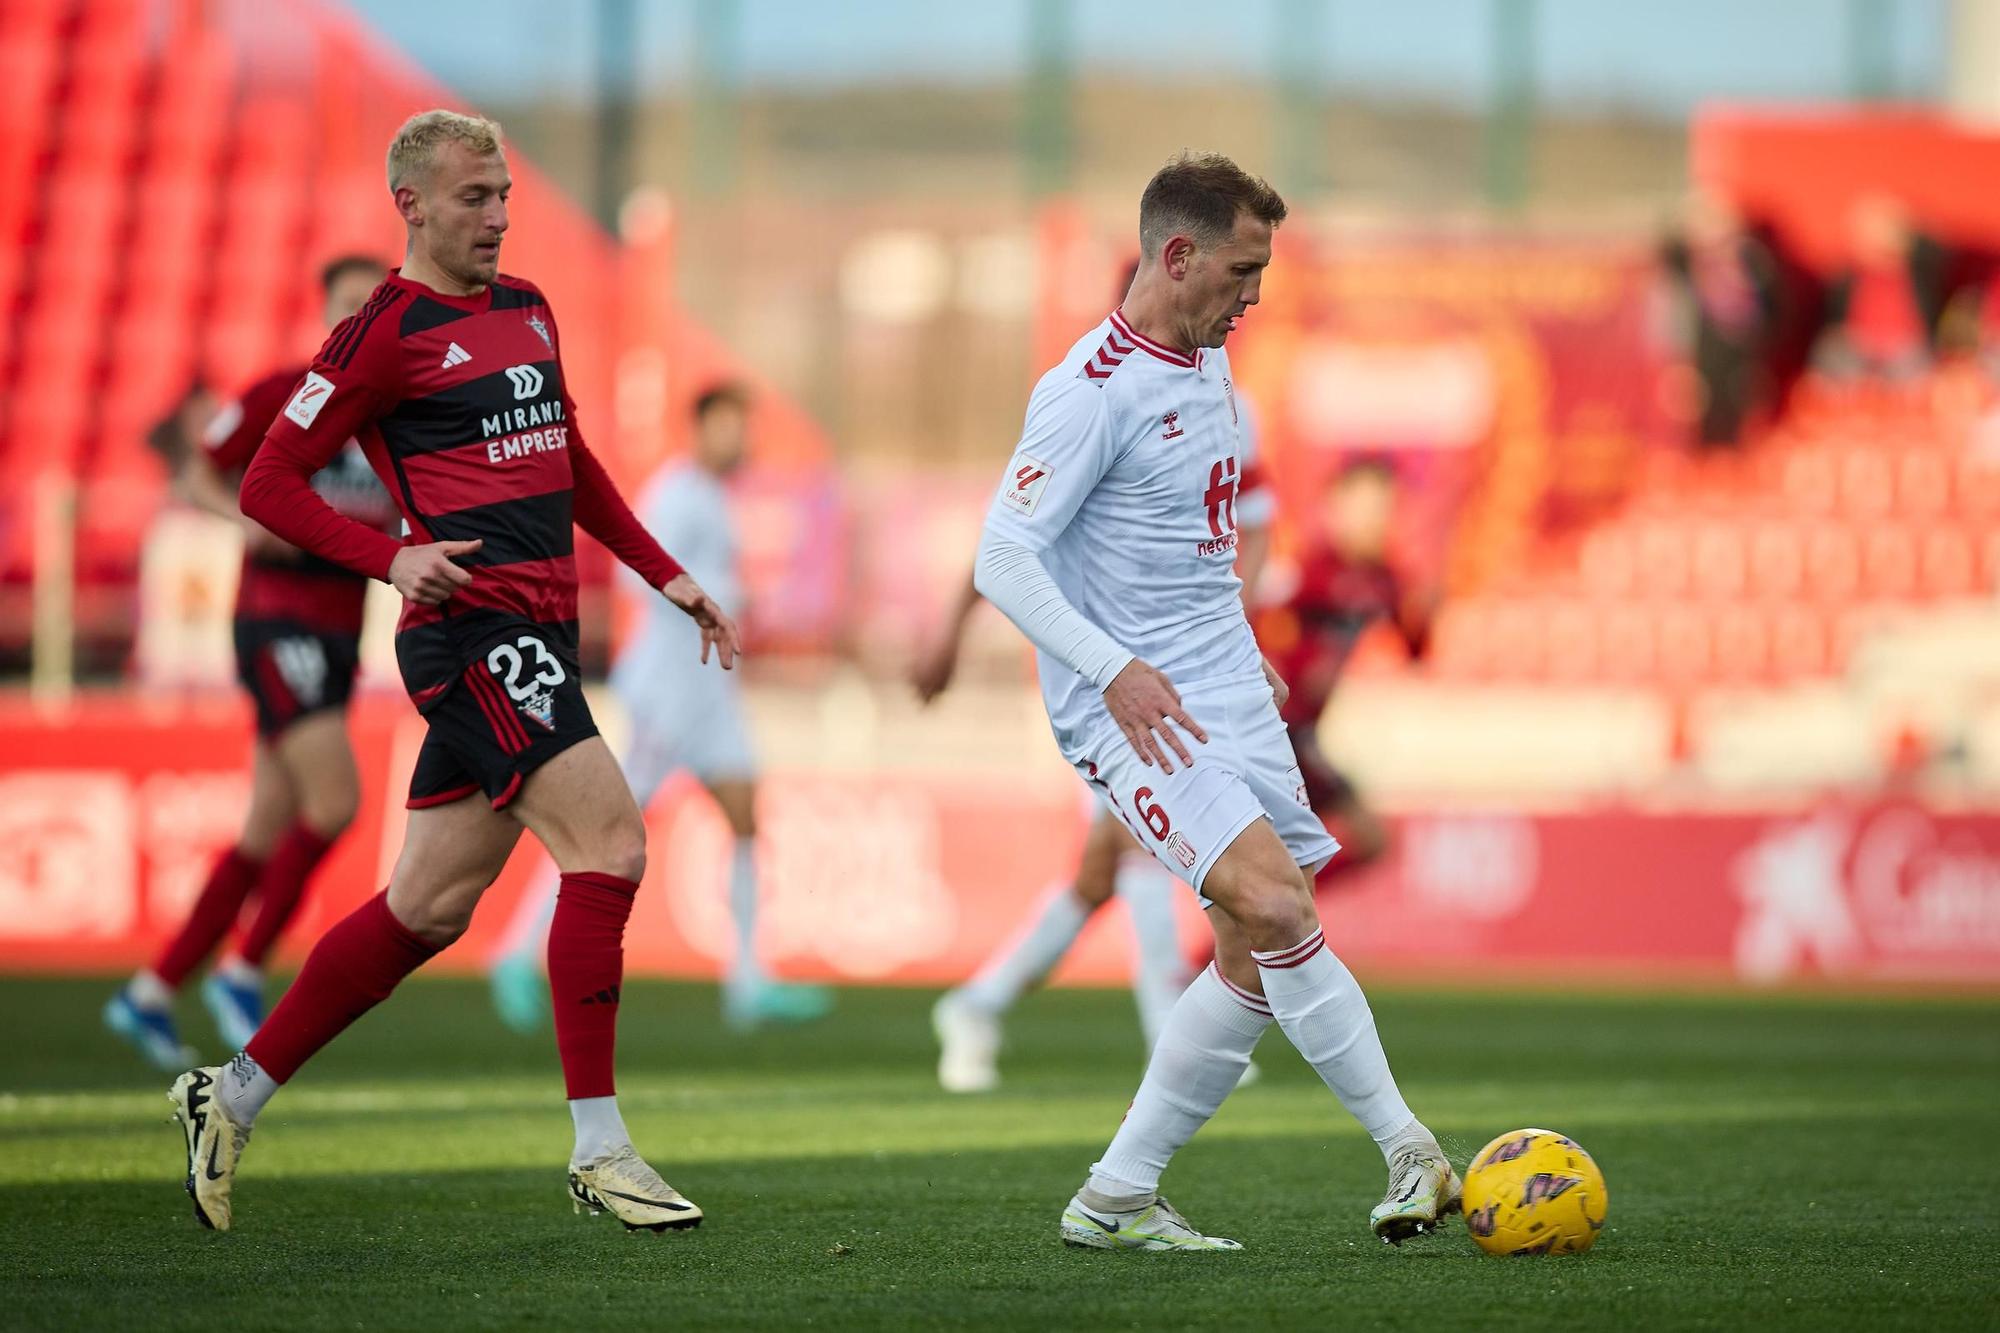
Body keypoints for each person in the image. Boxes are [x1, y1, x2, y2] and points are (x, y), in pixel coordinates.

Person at [165, 110, 738, 1235]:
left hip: (543, 631)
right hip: (470, 633)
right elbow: (268, 481)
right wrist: (390, 557)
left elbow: (568, 458)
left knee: (427, 906)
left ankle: (227, 1092)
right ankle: (600, 1148)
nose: (497, 217)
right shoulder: (381, 332)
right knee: (612, 843)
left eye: (505, 197)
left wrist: (663, 575)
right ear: (412, 205)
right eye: (474, 198)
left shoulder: (527, 309)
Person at [972, 153, 1455, 1251]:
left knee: (1249, 950)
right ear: (1175, 254)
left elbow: (1190, 555)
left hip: (1225, 684)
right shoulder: (1085, 391)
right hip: (1132, 709)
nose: (1253, 295)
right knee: (1279, 909)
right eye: (1241, 269)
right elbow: (1002, 557)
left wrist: (1240, 650)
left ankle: (1114, 1197)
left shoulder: (1206, 370)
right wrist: (1113, 668)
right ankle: (1410, 1150)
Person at [920, 262, 1275, 1091]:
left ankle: (979, 1003)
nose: (1236, 306)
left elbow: (1252, 528)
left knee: (1105, 868)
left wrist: (1231, 631)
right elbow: (1010, 538)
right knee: (1138, 855)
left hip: (1195, 667)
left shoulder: (1229, 403)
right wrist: (951, 630)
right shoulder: (1092, 391)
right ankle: (1173, 1041)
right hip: (1108, 678)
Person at [105, 255, 392, 1067]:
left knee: (265, 829)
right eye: (345, 307)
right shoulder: (280, 396)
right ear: (325, 314)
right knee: (335, 800)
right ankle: (241, 967)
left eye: (368, 307)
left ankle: (151, 990)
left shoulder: (393, 413)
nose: (355, 320)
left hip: (339, 633)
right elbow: (198, 472)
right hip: (276, 620)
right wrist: (245, 520)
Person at [485, 383, 831, 1033]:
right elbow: (632, 575)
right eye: (729, 426)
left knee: (746, 814)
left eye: (744, 427)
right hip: (666, 692)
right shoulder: (675, 493)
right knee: (603, 830)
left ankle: (750, 979)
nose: (740, 441)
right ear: (699, 428)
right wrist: (723, 596)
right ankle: (515, 950)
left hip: (709, 694)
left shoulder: (712, 497)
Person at [1264, 457, 1430, 888]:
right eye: (1367, 506)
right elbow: (1256, 622)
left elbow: (1414, 650)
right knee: (1287, 865)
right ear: (1336, 507)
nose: (1377, 519)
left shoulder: (1385, 578)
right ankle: (1256, 936)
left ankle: (1261, 932)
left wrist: (1427, 614)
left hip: (1304, 738)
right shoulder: (1309, 570)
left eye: (1386, 508)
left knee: (1350, 848)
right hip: (1274, 732)